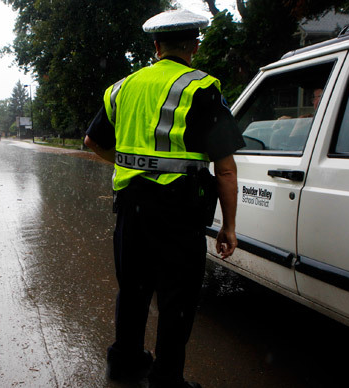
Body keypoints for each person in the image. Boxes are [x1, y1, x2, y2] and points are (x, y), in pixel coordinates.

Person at [84, 9, 244, 388]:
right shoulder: (202, 88)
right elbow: (225, 170)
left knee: (133, 291)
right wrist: (229, 227)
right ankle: (167, 379)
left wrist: (131, 164)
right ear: (195, 46)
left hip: (130, 208)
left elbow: (93, 141)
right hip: (179, 211)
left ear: (156, 47)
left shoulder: (122, 87)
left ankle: (124, 364)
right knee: (177, 298)